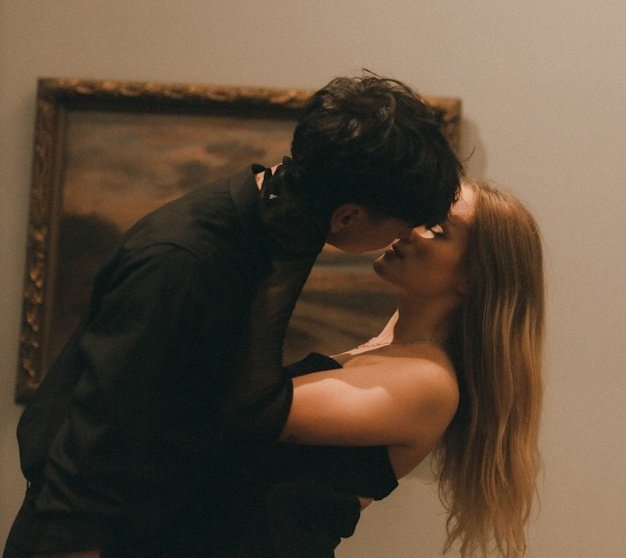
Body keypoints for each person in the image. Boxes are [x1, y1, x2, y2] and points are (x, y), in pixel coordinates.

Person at [4, 73, 462, 557]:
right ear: (346, 217)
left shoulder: (274, 231)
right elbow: (91, 452)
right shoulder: (186, 259)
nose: (404, 237)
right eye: (402, 225)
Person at [217, 178, 544, 558]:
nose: (410, 229)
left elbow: (253, 409)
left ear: (472, 279)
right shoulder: (394, 344)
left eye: (436, 229)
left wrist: (294, 246)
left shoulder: (428, 382)